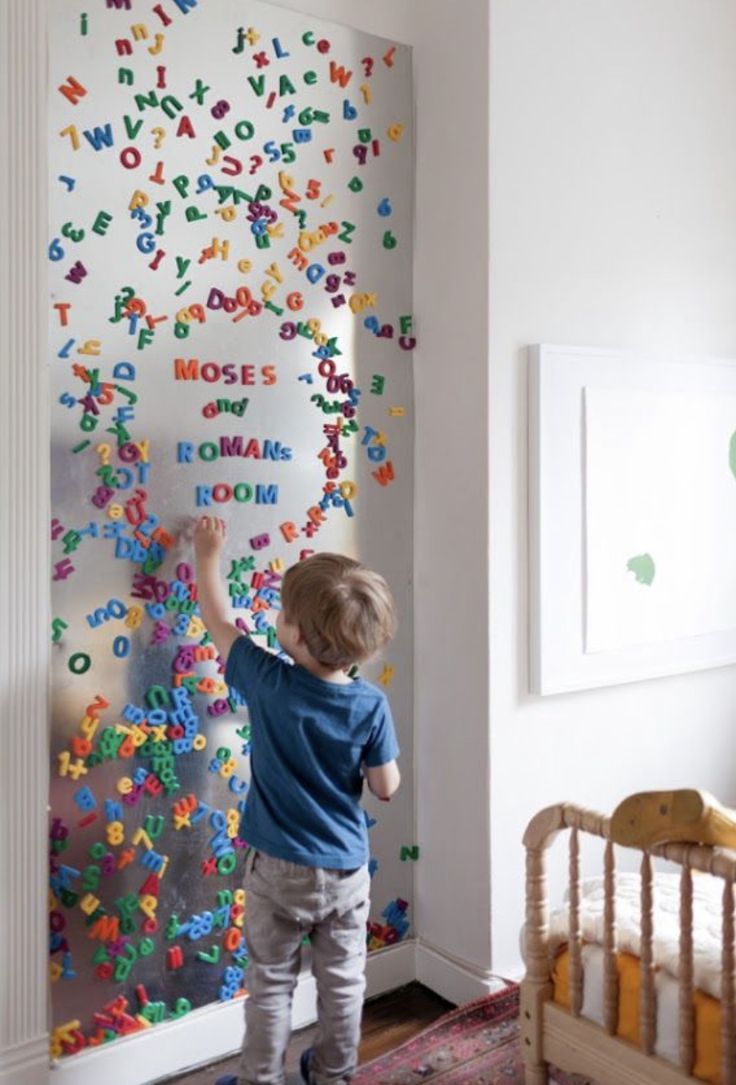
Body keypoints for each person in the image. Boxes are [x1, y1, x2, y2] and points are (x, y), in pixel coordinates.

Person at [192, 516, 401, 1085]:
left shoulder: (269, 682)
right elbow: (385, 786)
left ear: (297, 637)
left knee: (271, 986)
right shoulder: (370, 705)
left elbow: (217, 620)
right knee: (343, 984)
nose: (277, 620)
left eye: (284, 615)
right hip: (344, 871)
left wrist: (208, 553)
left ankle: (261, 1077)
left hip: (277, 870)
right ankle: (334, 1074)